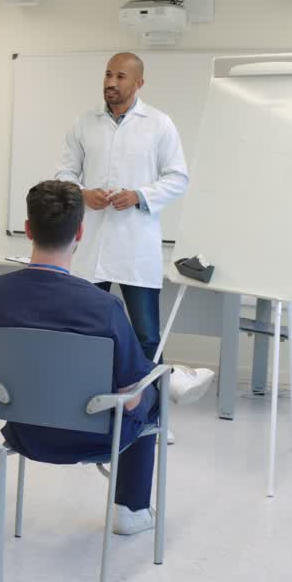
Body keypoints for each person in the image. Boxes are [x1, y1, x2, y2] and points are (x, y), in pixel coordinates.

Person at [0, 180, 168, 534]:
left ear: (27, 229)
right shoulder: (104, 307)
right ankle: (131, 509)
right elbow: (131, 402)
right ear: (81, 232)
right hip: (97, 438)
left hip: (25, 434)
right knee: (151, 386)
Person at [55, 52, 213, 405]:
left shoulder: (159, 124)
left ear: (139, 82)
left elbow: (178, 177)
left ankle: (152, 416)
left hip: (136, 247)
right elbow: (63, 173)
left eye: (121, 76)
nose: (111, 82)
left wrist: (140, 195)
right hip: (91, 244)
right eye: (108, 75)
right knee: (84, 330)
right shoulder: (84, 123)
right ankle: (86, 408)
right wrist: (82, 193)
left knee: (145, 337)